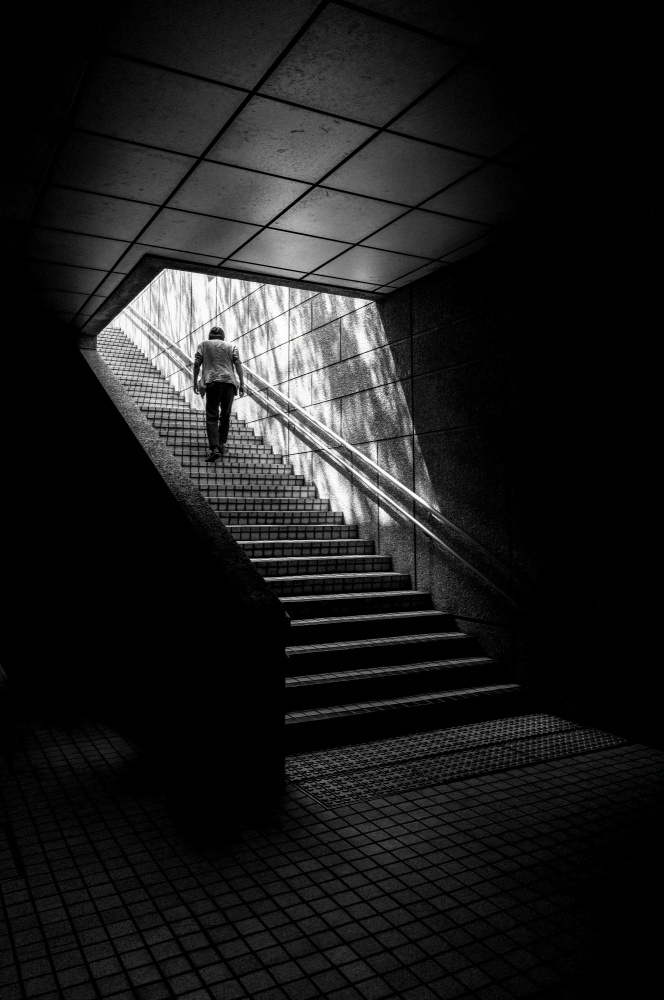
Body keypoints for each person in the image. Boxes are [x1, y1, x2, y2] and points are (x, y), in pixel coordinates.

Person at [193, 326, 245, 462]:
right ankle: (221, 444)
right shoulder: (231, 346)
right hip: (229, 383)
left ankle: (214, 448)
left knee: (212, 415)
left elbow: (197, 364)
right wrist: (242, 384)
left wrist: (195, 382)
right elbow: (238, 363)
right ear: (223, 336)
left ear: (210, 336)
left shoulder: (203, 345)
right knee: (225, 416)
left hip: (213, 381)